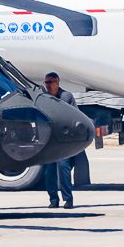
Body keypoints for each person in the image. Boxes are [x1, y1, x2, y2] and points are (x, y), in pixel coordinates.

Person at [43, 72, 76, 209]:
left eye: (50, 82)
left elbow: (75, 116)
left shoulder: (66, 97)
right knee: (49, 171)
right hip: (49, 141)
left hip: (63, 141)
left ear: (57, 82)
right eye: (46, 82)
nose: (48, 85)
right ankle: (53, 199)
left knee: (63, 168)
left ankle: (68, 199)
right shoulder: (44, 98)